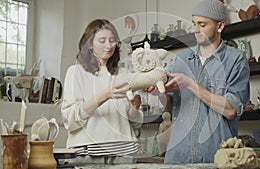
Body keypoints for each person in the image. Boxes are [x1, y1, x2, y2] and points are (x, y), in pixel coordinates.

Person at [154, 0, 250, 163]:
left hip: (216, 158)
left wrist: (191, 84)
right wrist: (159, 92)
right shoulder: (182, 59)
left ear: (220, 26)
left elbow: (230, 110)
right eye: (194, 23)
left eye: (202, 24)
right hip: (178, 156)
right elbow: (172, 105)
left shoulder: (236, 60)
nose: (196, 30)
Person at [61, 19, 143, 164]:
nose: (109, 45)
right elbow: (70, 119)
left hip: (124, 151)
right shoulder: (76, 72)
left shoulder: (123, 73)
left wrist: (134, 109)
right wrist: (104, 95)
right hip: (87, 152)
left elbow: (135, 123)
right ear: (90, 44)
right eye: (102, 40)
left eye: (112, 40)